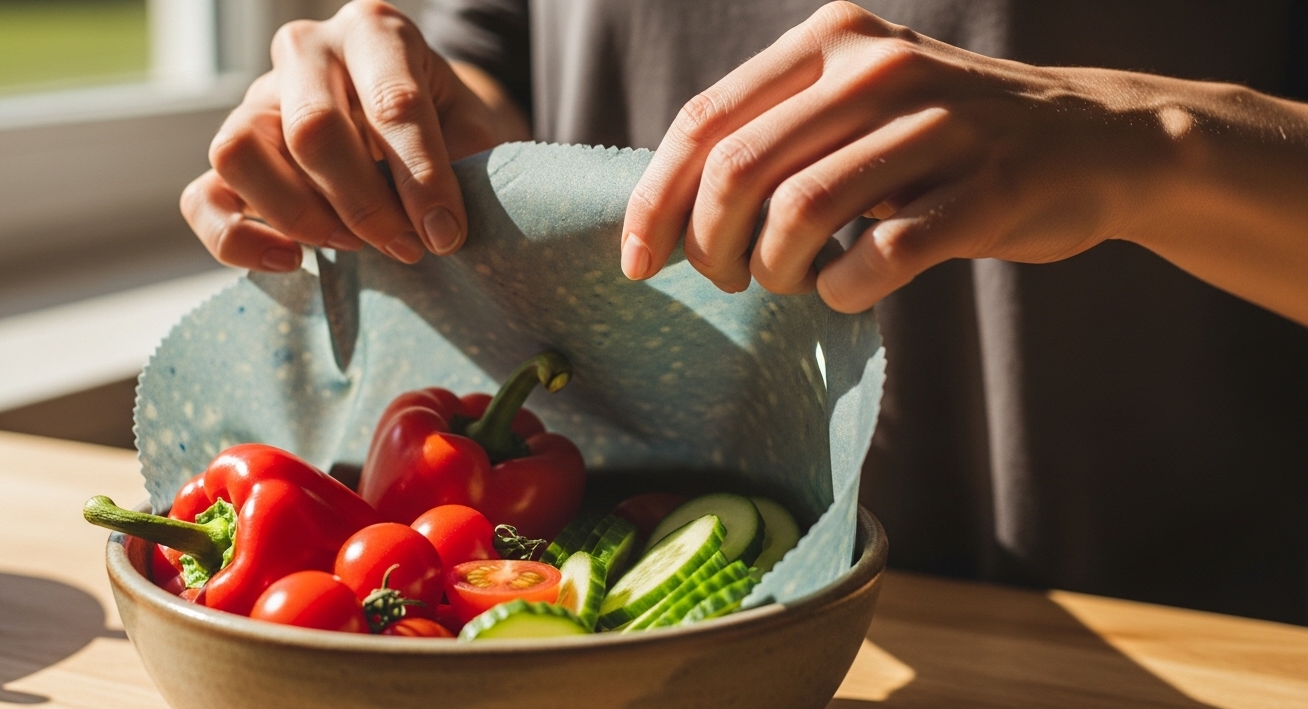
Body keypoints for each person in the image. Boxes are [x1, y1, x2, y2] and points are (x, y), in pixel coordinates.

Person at [179, 0, 1308, 624]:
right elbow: (503, 67)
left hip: (1186, 661)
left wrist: (1160, 142)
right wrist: (390, 119)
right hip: (657, 671)